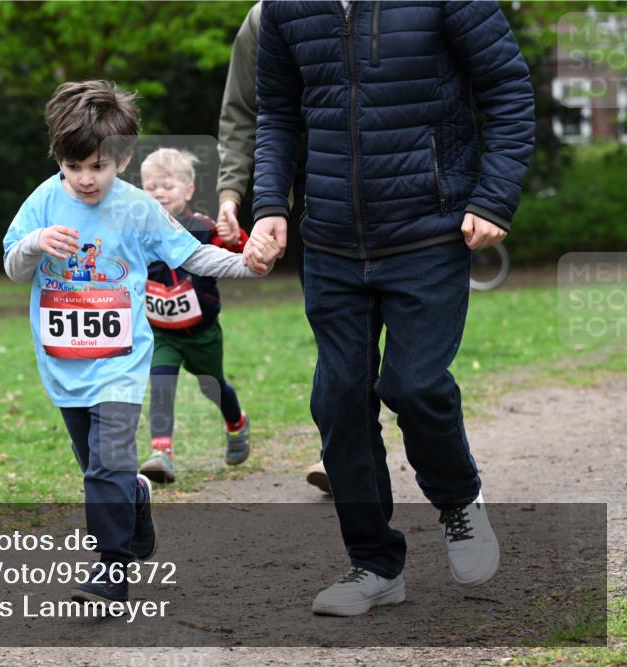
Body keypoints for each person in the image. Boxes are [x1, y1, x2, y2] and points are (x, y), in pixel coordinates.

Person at [248, 1, 534, 616]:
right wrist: (269, 203)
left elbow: (508, 88)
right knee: (338, 400)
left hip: (430, 230)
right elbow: (277, 112)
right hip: (330, 241)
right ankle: (375, 564)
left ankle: (458, 501)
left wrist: (494, 198)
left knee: (415, 385)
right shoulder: (285, 8)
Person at [3, 80, 279, 607]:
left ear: (124, 159)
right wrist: (36, 244)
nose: (85, 178)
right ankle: (136, 496)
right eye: (73, 166)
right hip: (64, 365)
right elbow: (14, 267)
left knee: (106, 465)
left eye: (98, 166)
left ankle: (112, 570)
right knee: (97, 465)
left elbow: (191, 255)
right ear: (58, 158)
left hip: (121, 363)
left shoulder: (137, 208)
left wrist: (246, 264)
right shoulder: (43, 201)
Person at [216, 1, 330, 494]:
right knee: (335, 329)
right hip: (303, 200)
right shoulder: (264, 19)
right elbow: (242, 113)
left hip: (390, 190)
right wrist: (230, 194)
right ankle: (342, 449)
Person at [137, 148, 250, 485]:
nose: (159, 193)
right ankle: (161, 453)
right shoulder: (137, 232)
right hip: (161, 333)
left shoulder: (203, 228)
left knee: (212, 385)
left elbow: (238, 251)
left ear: (188, 190)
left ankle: (236, 422)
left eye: (167, 186)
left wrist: (234, 237)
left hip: (202, 333)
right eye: (151, 187)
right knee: (161, 384)